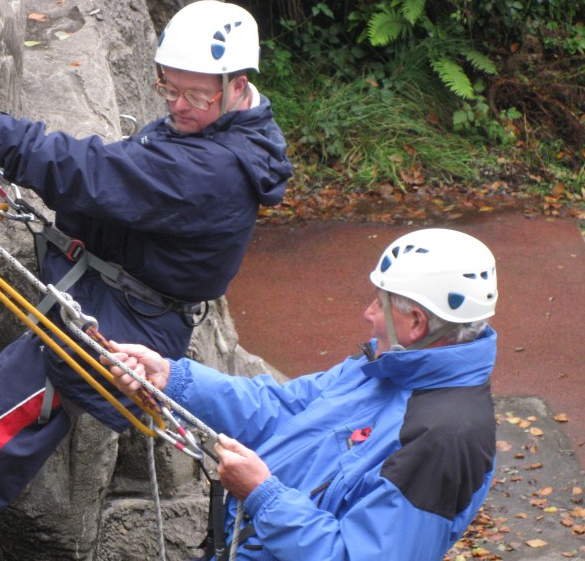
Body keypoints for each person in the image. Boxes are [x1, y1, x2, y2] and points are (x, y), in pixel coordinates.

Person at [0, 0, 292, 560]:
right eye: (169, 89)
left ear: (237, 84)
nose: (178, 105)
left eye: (195, 95)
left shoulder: (218, 168)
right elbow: (117, 189)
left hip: (115, 329)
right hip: (93, 301)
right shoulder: (206, 129)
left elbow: (100, 173)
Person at [106, 228, 499, 560]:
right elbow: (282, 408)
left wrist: (263, 495)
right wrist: (174, 378)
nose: (368, 313)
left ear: (416, 323)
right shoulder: (386, 369)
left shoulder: (443, 439)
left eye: (379, 304)